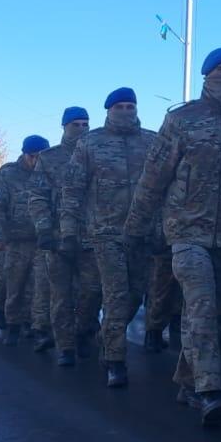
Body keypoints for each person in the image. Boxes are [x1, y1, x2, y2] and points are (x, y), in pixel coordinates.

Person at [126, 46, 221, 426]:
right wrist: (136, 226)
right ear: (207, 75)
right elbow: (154, 176)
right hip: (186, 230)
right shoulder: (182, 120)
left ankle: (187, 379)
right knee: (201, 306)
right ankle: (209, 391)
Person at [60, 88, 157, 387]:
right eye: (120, 106)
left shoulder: (152, 142)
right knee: (116, 294)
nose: (126, 111)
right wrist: (68, 231)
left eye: (131, 106)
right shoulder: (91, 143)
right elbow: (73, 190)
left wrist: (161, 227)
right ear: (109, 110)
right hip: (105, 232)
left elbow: (163, 187)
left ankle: (104, 336)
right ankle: (115, 360)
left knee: (136, 294)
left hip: (141, 233)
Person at [29, 107, 101, 367]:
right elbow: (37, 198)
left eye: (85, 124)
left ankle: (83, 331)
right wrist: (44, 229)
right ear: (64, 127)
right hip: (59, 239)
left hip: (92, 237)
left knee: (93, 292)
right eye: (76, 125)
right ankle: (65, 346)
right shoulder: (49, 158)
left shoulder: (98, 153)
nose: (81, 129)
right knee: (61, 296)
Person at [0, 135, 51, 346]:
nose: (38, 160)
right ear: (25, 154)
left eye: (42, 156)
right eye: (34, 156)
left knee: (39, 286)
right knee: (12, 286)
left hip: (42, 241)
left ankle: (35, 325)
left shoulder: (50, 173)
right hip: (13, 242)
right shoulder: (6, 174)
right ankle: (12, 323)